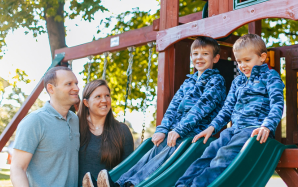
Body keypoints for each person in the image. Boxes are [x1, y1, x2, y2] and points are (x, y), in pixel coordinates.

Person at [91, 36, 227, 187]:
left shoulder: (216, 81)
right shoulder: (189, 81)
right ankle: (119, 183)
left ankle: (132, 183)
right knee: (153, 150)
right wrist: (163, 129)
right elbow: (173, 107)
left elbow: (200, 109)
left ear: (215, 58)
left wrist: (178, 130)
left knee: (166, 152)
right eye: (195, 54)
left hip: (194, 136)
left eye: (205, 54)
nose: (199, 58)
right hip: (178, 133)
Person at [175, 34, 285, 187]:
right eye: (239, 61)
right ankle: (182, 185)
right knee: (208, 153)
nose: (242, 65)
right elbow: (227, 109)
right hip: (234, 130)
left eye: (247, 60)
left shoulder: (270, 77)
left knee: (223, 156)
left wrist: (267, 126)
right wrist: (211, 128)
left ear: (262, 57)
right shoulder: (238, 81)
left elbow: (277, 104)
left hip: (254, 130)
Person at [10, 66, 80, 187]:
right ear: (51, 88)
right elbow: (17, 168)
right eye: (69, 84)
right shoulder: (34, 121)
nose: (76, 88)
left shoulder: (74, 119)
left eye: (76, 83)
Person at [79, 79, 134, 186]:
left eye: (107, 96)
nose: (104, 100)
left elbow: (129, 169)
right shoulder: (75, 128)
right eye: (98, 96)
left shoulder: (122, 130)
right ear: (86, 103)